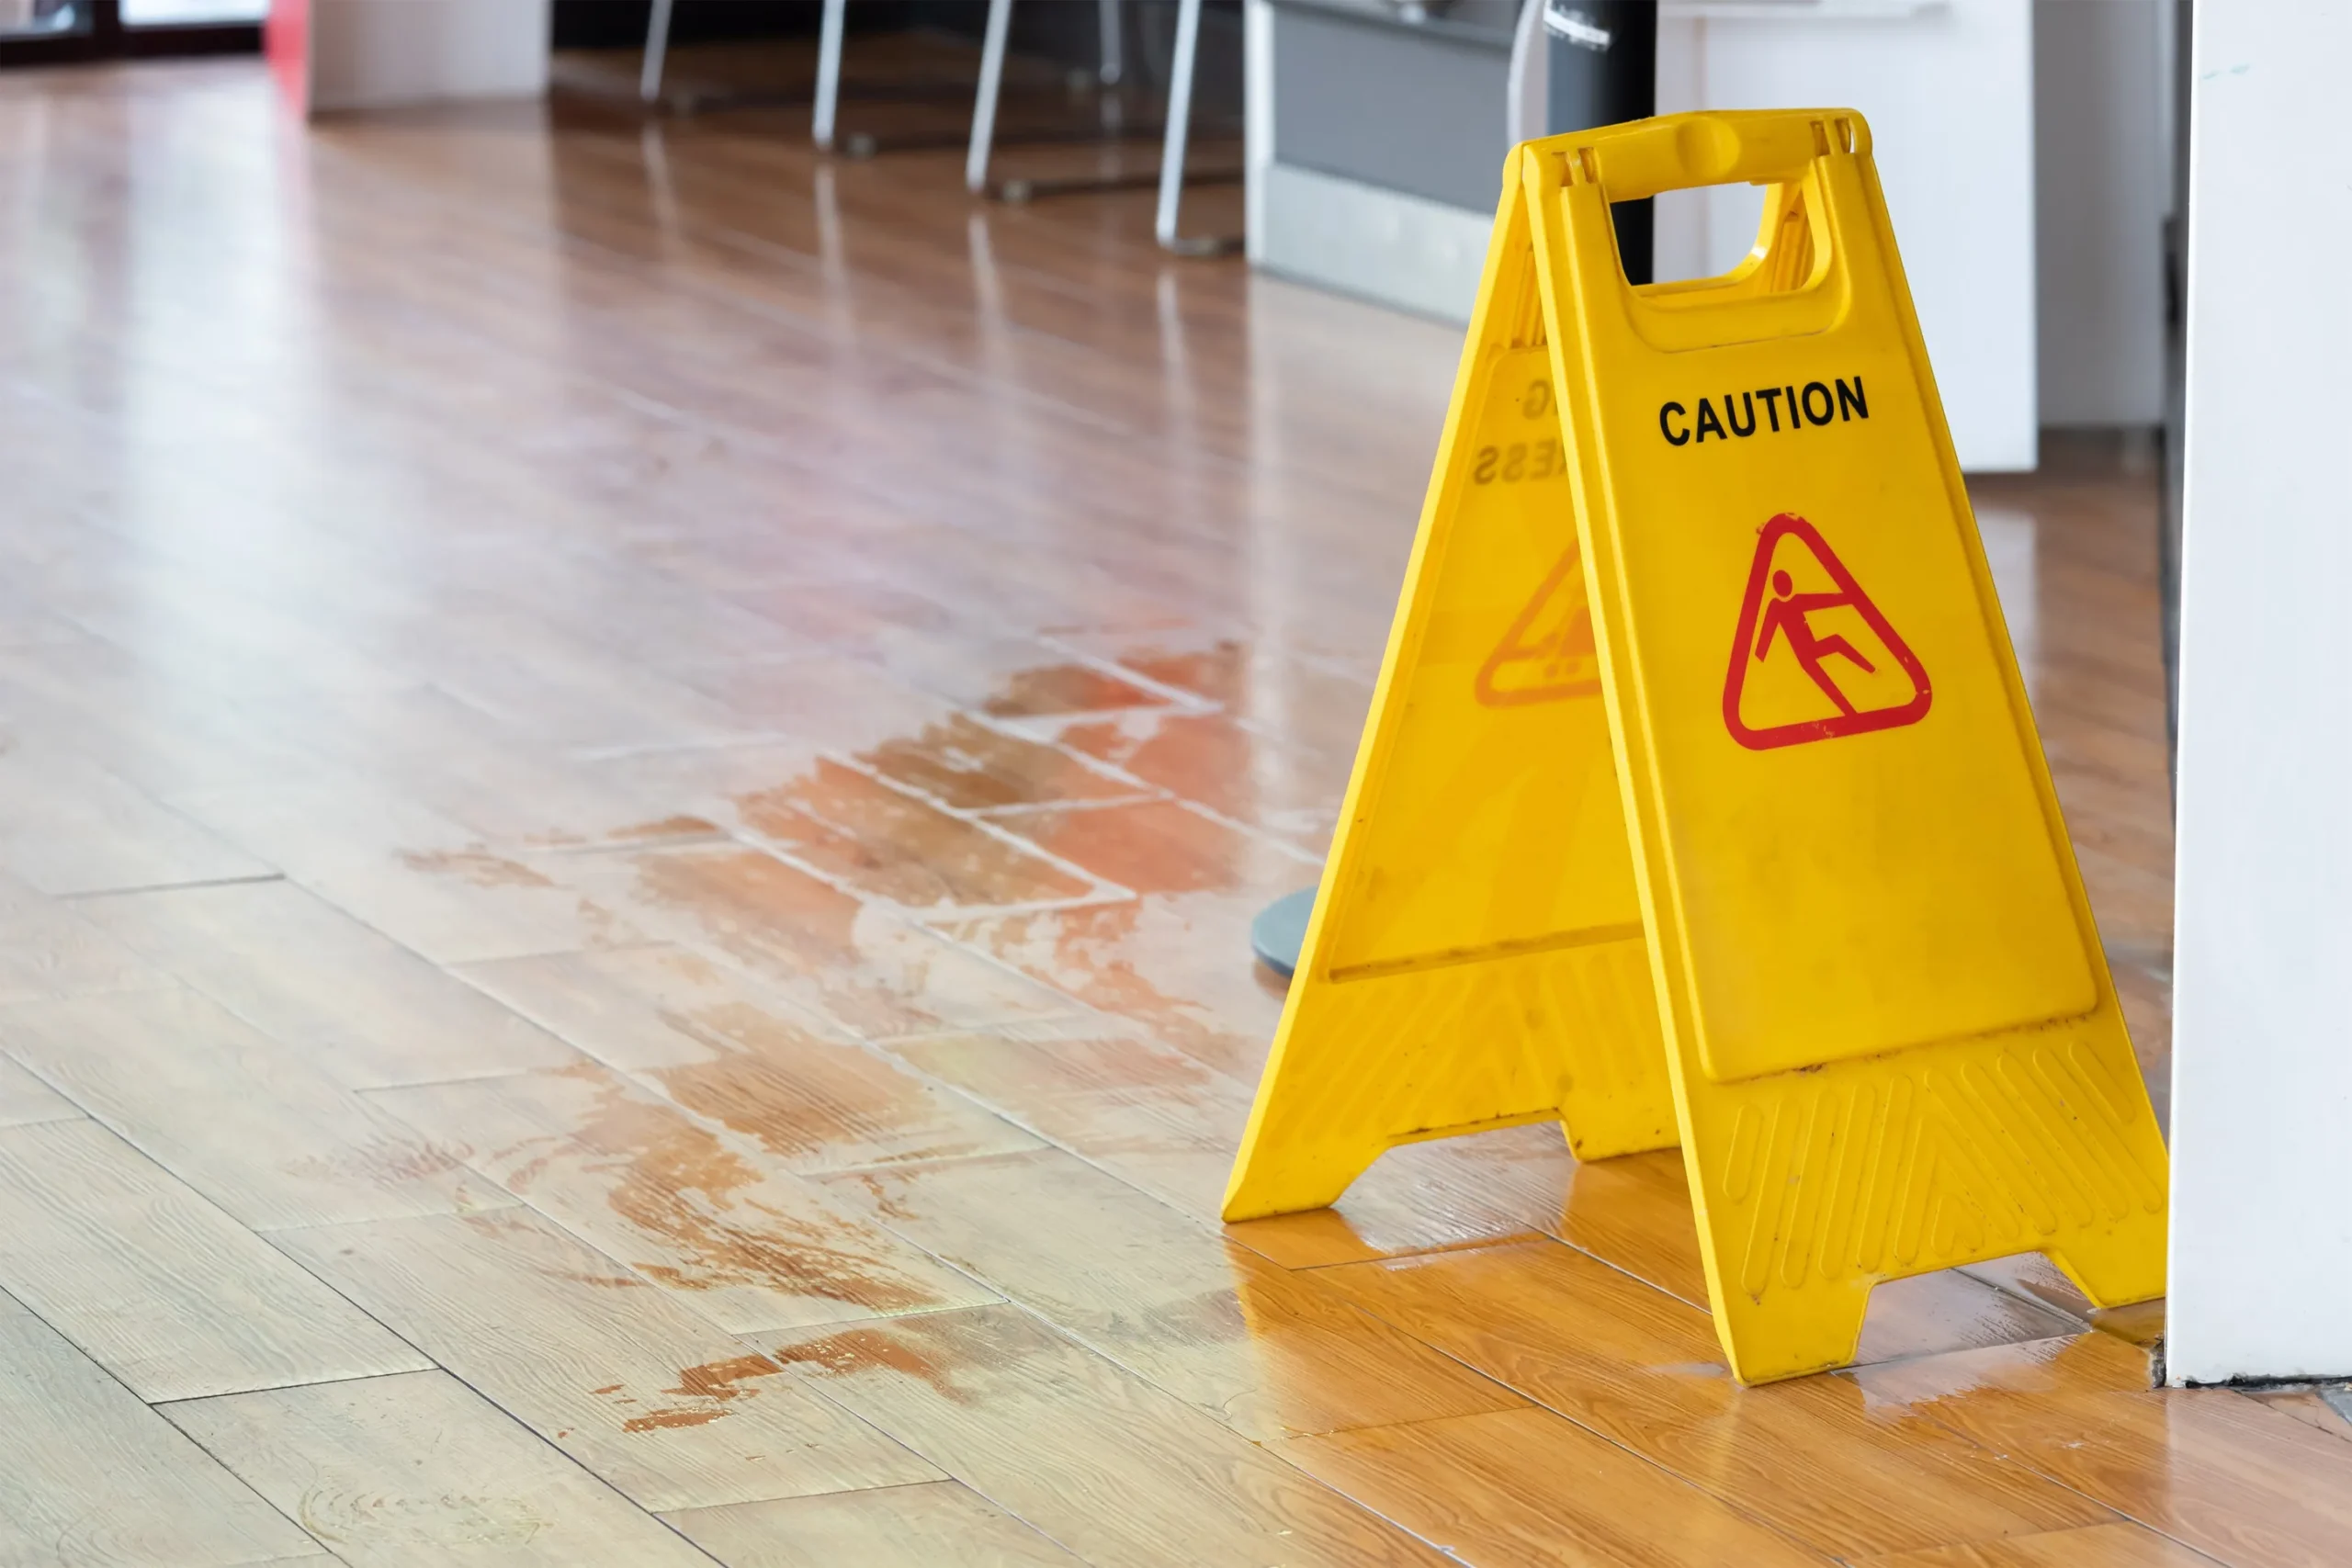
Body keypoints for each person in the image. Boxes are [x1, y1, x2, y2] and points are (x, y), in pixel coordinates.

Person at [1755, 568, 1874, 716]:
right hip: (1804, 657)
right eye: (1784, 583)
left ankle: (1872, 670)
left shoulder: (1797, 600)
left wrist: (1848, 598)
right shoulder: (1775, 607)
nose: (1788, 585)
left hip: (1813, 647)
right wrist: (1759, 660)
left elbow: (1823, 600)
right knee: (1827, 685)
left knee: (1837, 641)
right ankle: (1851, 713)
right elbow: (1766, 634)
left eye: (1788, 581)